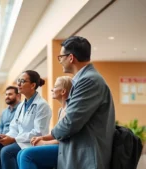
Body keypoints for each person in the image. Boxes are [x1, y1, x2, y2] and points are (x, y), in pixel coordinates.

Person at [33, 36, 115, 169]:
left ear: (71, 58)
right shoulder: (84, 79)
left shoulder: (89, 80)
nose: (60, 61)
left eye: (61, 57)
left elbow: (71, 122)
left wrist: (48, 137)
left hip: (86, 156)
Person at [0, 70, 52, 169]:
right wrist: (6, 136)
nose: (18, 83)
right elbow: (14, 127)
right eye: (18, 80)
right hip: (19, 140)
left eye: (22, 81)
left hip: (31, 142)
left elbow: (38, 132)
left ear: (32, 85)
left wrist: (13, 139)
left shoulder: (42, 105)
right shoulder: (22, 105)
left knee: (7, 151)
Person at [17, 76, 72, 169]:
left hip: (65, 148)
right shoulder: (60, 110)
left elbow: (64, 139)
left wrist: (44, 142)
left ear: (63, 91)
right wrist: (41, 138)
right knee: (21, 153)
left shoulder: (70, 111)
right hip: (59, 145)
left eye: (55, 87)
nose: (52, 89)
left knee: (26, 155)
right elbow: (56, 133)